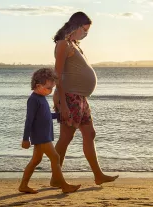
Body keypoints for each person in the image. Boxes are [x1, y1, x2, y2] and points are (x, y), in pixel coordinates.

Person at [51, 11, 119, 186]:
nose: (86, 34)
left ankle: (98, 175)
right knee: (66, 138)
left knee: (90, 133)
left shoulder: (74, 44)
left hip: (80, 98)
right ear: (76, 26)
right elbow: (57, 75)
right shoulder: (63, 44)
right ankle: (56, 177)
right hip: (70, 97)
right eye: (85, 30)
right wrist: (63, 104)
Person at [18, 68, 81, 194]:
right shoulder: (33, 100)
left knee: (36, 161)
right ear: (38, 86)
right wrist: (25, 139)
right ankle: (64, 185)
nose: (50, 91)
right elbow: (29, 120)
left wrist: (58, 115)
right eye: (48, 88)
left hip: (45, 135)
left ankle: (23, 185)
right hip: (41, 136)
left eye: (52, 88)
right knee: (55, 157)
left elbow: (45, 115)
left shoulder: (42, 98)